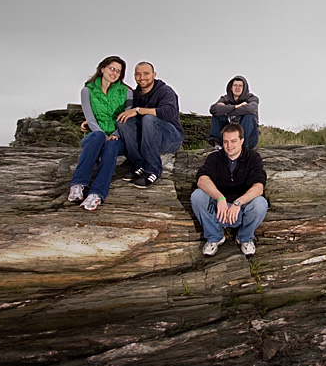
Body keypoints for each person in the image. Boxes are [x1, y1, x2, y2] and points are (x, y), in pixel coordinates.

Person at [190, 123, 268, 257]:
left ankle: (245, 238)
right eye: (225, 142)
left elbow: (258, 187)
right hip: (219, 209)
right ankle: (215, 236)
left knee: (260, 203)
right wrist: (220, 198)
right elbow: (202, 179)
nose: (229, 145)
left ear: (242, 141)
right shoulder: (215, 157)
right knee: (197, 196)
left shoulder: (253, 158)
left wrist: (238, 203)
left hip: (241, 209)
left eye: (233, 141)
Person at [68, 56, 133, 211]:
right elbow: (90, 119)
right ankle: (78, 185)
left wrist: (115, 134)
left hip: (117, 137)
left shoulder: (127, 92)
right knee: (98, 136)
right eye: (112, 69)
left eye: (118, 71)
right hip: (94, 137)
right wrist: (103, 135)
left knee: (112, 145)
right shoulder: (87, 91)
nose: (114, 73)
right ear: (102, 69)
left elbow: (127, 118)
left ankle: (96, 194)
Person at [115, 61, 185, 188]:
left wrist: (138, 110)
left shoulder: (165, 91)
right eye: (138, 74)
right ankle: (138, 165)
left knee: (149, 119)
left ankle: (153, 170)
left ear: (154, 74)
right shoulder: (135, 94)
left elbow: (169, 113)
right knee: (123, 120)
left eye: (146, 73)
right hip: (147, 139)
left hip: (171, 139)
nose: (142, 77)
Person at [208, 75, 260, 149]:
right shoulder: (225, 99)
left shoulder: (252, 99)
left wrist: (225, 110)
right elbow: (213, 109)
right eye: (235, 85)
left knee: (249, 116)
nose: (237, 88)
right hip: (228, 136)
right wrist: (235, 106)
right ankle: (218, 146)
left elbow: (250, 109)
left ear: (244, 88)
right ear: (231, 87)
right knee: (217, 115)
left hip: (248, 138)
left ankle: (243, 148)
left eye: (240, 86)